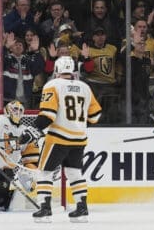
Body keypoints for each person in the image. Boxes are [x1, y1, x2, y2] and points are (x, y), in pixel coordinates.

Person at [28, 56, 101, 223]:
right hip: (79, 139)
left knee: (45, 172)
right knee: (74, 173)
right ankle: (82, 208)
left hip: (58, 138)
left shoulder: (52, 85)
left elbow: (48, 114)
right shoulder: (85, 87)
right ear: (73, 70)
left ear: (56, 70)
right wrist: (77, 124)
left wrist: (33, 128)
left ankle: (45, 208)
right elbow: (95, 116)